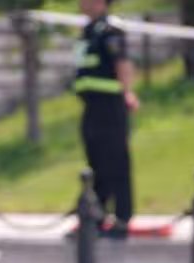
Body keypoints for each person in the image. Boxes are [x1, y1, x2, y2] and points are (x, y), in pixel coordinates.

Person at [74, 0, 138, 236]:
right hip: (92, 107)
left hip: (111, 106)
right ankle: (96, 217)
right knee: (96, 163)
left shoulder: (111, 30)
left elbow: (122, 62)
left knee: (116, 162)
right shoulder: (88, 32)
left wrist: (127, 92)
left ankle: (122, 218)